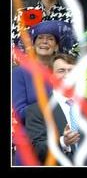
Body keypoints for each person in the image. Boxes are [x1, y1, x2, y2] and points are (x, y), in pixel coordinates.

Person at [24, 53, 87, 166]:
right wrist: (63, 142)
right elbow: (37, 151)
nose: (67, 75)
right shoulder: (36, 110)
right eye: (61, 70)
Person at [12, 20, 66, 165]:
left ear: (56, 47)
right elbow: (20, 112)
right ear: (34, 45)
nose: (45, 42)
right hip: (29, 145)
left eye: (50, 38)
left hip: (59, 143)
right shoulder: (20, 73)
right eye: (40, 38)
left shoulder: (62, 73)